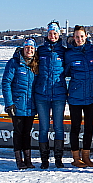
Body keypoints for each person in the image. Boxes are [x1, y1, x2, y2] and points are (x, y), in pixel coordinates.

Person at [65, 25, 93, 168]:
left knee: (89, 127)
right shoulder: (69, 53)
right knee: (75, 127)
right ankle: (76, 157)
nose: (79, 39)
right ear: (73, 38)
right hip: (75, 95)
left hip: (91, 94)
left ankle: (86, 157)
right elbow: (66, 72)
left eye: (81, 36)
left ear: (86, 36)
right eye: (76, 37)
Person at [34, 21, 67, 169]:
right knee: (44, 128)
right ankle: (44, 159)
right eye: (50, 33)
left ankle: (58, 158)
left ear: (59, 34)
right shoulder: (40, 51)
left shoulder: (64, 52)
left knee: (58, 127)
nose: (52, 36)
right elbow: (29, 63)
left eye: (55, 33)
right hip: (42, 95)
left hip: (59, 94)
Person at [2, 39, 39, 170]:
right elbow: (6, 83)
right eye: (27, 47)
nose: (29, 50)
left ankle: (28, 160)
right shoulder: (14, 63)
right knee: (18, 132)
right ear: (23, 49)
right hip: (17, 105)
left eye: (32, 48)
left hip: (31, 105)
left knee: (27, 133)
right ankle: (19, 160)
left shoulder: (35, 65)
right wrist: (9, 103)